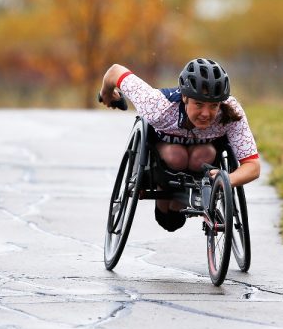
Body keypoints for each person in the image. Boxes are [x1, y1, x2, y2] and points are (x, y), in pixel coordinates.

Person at [99, 58, 260, 232]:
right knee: (177, 156)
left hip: (204, 158)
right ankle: (165, 193)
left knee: (202, 155)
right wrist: (107, 95)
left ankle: (179, 202)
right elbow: (115, 71)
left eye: (214, 105)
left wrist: (226, 180)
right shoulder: (157, 105)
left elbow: (253, 166)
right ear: (185, 97)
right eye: (198, 104)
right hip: (165, 156)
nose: (206, 113)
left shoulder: (231, 113)